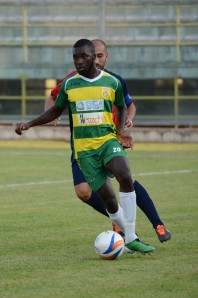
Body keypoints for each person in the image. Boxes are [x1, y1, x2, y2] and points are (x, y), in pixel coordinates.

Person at [15, 38, 156, 254]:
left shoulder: (112, 82)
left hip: (108, 141)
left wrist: (120, 132)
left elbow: (122, 105)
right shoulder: (70, 85)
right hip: (84, 150)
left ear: (94, 57)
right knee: (108, 198)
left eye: (84, 57)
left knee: (125, 176)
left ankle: (132, 234)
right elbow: (55, 110)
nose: (79, 61)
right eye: (75, 58)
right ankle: (130, 237)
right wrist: (30, 124)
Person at [45, 39, 171, 243]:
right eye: (92, 56)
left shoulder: (114, 80)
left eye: (100, 56)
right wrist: (51, 114)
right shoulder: (72, 79)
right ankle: (118, 218)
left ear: (106, 56)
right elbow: (53, 98)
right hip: (82, 145)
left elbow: (129, 106)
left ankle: (158, 224)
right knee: (83, 192)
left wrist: (127, 122)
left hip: (110, 140)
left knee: (126, 180)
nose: (96, 60)